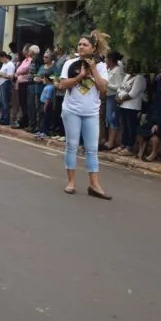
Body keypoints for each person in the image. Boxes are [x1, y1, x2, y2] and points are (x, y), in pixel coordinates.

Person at [58, 31, 111, 199]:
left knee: (92, 149)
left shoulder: (101, 66)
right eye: (79, 44)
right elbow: (62, 85)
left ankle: (94, 185)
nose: (81, 47)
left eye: (85, 44)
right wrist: (80, 76)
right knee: (72, 145)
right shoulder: (70, 63)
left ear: (93, 48)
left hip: (91, 113)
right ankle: (71, 182)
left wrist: (93, 70)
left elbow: (103, 89)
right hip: (71, 110)